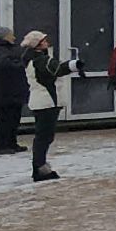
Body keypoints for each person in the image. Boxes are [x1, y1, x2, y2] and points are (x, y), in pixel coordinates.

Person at [23, 31, 79, 182]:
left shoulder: (30, 58)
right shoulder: (41, 60)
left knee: (43, 136)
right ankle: (40, 168)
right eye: (44, 40)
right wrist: (74, 65)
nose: (47, 42)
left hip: (40, 101)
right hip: (47, 102)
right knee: (44, 137)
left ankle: (39, 167)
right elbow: (57, 69)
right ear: (38, 44)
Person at [0, 27, 29, 155]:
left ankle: (11, 143)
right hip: (6, 89)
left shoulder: (7, 49)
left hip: (14, 88)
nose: (14, 37)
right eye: (11, 35)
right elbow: (4, 65)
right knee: (5, 118)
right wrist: (20, 64)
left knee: (14, 118)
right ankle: (1, 146)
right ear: (4, 37)